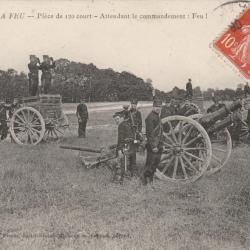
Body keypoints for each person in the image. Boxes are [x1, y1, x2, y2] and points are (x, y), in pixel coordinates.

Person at [141, 98, 163, 185]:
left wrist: (161, 144)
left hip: (158, 144)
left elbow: (160, 131)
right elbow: (150, 134)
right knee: (150, 163)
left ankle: (151, 179)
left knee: (155, 163)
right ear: (153, 107)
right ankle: (145, 181)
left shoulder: (157, 116)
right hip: (153, 145)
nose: (158, 108)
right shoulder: (150, 118)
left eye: (160, 107)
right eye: (156, 106)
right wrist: (154, 146)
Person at [113, 110, 136, 183]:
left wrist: (119, 150)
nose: (116, 121)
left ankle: (120, 179)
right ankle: (131, 175)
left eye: (117, 119)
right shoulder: (128, 124)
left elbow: (120, 139)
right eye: (115, 120)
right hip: (132, 146)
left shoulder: (121, 125)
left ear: (122, 118)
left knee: (122, 163)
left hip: (126, 147)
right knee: (132, 162)